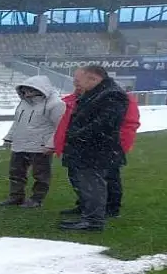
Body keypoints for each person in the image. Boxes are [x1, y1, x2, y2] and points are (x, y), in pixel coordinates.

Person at [53, 65, 129, 232]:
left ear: (93, 78)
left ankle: (93, 221)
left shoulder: (112, 95)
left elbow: (104, 123)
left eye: (79, 80)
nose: (76, 84)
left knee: (94, 185)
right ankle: (88, 216)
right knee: (87, 184)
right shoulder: (98, 93)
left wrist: (78, 135)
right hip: (88, 149)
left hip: (96, 150)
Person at [0, 75, 65, 208]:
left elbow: (60, 127)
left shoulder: (56, 104)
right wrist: (9, 137)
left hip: (40, 146)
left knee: (40, 175)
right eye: (24, 90)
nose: (27, 93)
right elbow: (17, 122)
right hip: (20, 144)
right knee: (16, 172)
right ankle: (16, 197)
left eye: (30, 90)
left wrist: (51, 144)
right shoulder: (23, 103)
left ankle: (37, 199)